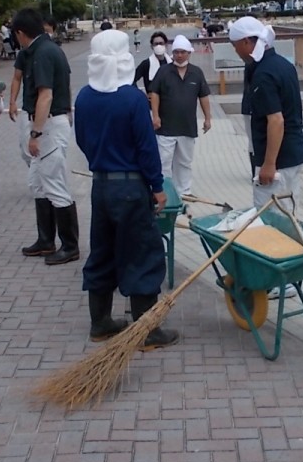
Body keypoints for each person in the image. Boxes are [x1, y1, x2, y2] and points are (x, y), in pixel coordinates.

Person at [74, 30, 178, 349]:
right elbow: (147, 149)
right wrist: (157, 186)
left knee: (102, 251)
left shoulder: (84, 97)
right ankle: (146, 331)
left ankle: (100, 323)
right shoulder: (132, 98)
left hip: (101, 186)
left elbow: (81, 139)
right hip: (131, 188)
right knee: (142, 253)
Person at [12, 7, 79, 264]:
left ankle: (70, 245)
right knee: (37, 183)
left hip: (48, 125)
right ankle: (46, 240)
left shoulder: (42, 53)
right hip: (51, 122)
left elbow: (45, 95)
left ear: (20, 33)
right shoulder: (49, 49)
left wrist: (35, 134)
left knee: (54, 183)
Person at [228, 17, 303, 211]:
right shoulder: (284, 64)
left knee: (271, 215)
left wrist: (269, 163)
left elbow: (276, 120)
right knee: (289, 210)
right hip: (294, 152)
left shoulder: (263, 74)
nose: (235, 51)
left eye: (235, 46)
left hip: (278, 160)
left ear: (246, 41)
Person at [149, 35, 212, 196]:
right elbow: (154, 94)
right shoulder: (163, 71)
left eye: (183, 52)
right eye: (176, 52)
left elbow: (203, 96)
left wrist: (207, 118)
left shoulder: (196, 72)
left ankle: (184, 191)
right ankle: (165, 192)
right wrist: (155, 116)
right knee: (164, 162)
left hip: (187, 127)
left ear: (189, 53)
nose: (179, 55)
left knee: (184, 162)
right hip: (165, 128)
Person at [134, 30, 170, 97]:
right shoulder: (146, 64)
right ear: (152, 47)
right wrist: (141, 95)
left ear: (166, 45)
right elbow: (132, 79)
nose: (158, 46)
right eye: (156, 44)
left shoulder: (171, 63)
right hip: (152, 101)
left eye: (161, 43)